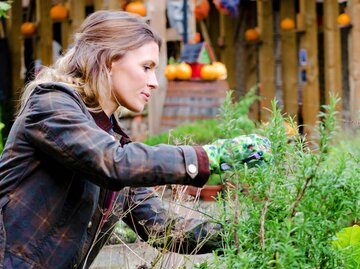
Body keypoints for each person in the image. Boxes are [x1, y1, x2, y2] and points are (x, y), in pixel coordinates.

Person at [0, 11, 271, 269]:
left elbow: (163, 227)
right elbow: (114, 163)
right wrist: (210, 156)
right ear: (108, 60)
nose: (153, 81)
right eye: (146, 67)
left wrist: (244, 234)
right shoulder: (51, 105)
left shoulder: (110, 139)